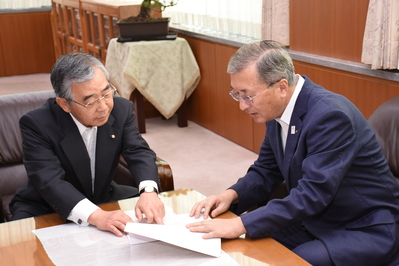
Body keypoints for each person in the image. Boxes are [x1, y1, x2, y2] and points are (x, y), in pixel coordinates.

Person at [186, 40, 399, 266]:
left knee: (287, 261)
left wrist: (240, 223)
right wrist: (230, 195)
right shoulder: (276, 109)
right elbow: (266, 170)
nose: (242, 105)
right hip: (314, 219)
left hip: (363, 228)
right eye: (237, 94)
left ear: (281, 87)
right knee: (243, 249)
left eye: (248, 95)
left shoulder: (330, 117)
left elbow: (312, 194)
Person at [10, 53, 165, 236]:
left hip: (102, 195)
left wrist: (148, 191)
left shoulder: (121, 109)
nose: (103, 107)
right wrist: (97, 216)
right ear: (64, 104)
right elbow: (50, 181)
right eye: (90, 101)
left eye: (107, 93)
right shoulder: (37, 124)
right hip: (47, 205)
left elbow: (138, 151)